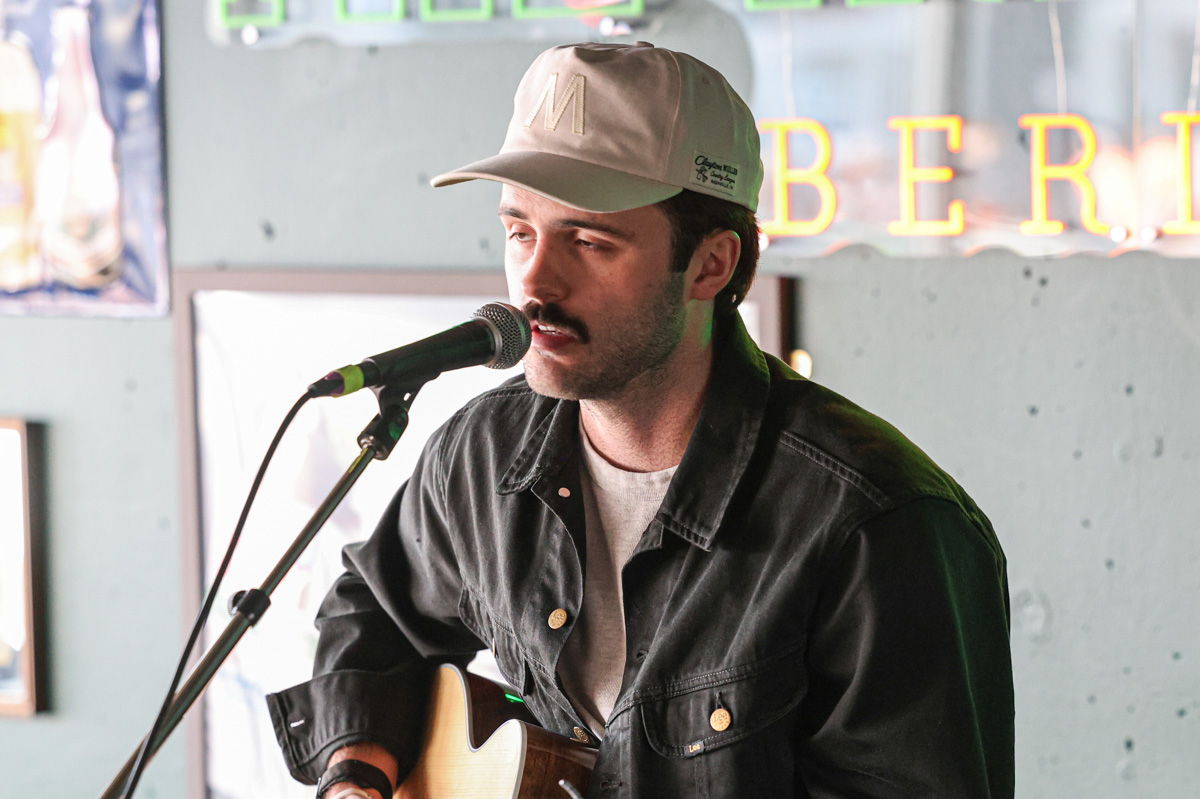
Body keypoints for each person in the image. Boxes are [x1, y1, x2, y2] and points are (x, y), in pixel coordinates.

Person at [267, 42, 1015, 799]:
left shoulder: (880, 527)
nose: (535, 281)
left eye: (589, 242)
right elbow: (374, 611)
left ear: (712, 265)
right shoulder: (482, 452)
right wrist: (353, 776)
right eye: (520, 231)